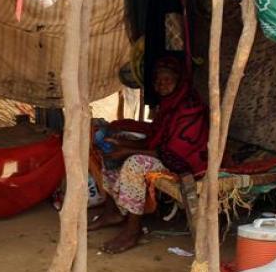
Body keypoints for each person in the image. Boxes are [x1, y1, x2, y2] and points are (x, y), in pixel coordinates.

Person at [89, 56, 209, 253]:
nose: (161, 85)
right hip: (167, 154)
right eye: (158, 81)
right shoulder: (169, 104)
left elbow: (175, 151)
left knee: (134, 163)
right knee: (109, 151)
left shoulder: (190, 109)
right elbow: (157, 137)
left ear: (179, 81)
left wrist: (128, 150)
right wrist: (121, 143)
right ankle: (112, 212)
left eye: (167, 80)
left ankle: (132, 229)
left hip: (186, 162)